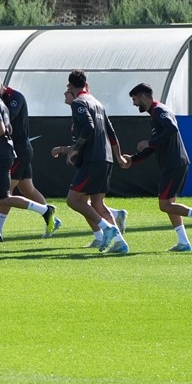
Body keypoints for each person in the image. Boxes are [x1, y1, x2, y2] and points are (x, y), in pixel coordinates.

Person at [120, 83, 192, 252]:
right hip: (173, 164)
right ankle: (184, 242)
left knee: (165, 205)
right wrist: (133, 160)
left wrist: (149, 142)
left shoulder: (159, 111)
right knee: (170, 204)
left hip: (174, 164)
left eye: (135, 99)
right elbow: (154, 146)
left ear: (144, 96)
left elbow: (171, 128)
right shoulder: (155, 113)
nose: (134, 104)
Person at [0, 71, 58, 242]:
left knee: (4, 196)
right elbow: (7, 127)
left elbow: (1, 129)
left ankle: (45, 211)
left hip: (5, 154)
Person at [50, 70, 127, 254]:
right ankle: (120, 243)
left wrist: (75, 149)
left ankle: (108, 229)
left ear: (70, 86)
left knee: (73, 200)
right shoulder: (97, 103)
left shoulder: (79, 103)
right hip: (105, 159)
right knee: (97, 204)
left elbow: (88, 127)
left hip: (92, 160)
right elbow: (111, 133)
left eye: (67, 88)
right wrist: (118, 156)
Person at [0, 81, 61, 238]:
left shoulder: (15, 97)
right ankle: (53, 219)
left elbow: (9, 116)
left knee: (5, 193)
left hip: (19, 150)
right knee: (27, 189)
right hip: (19, 149)